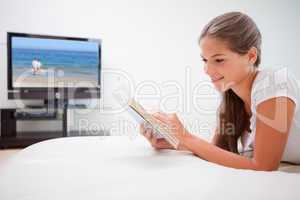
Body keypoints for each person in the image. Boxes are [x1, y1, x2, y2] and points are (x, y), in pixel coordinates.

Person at [140, 11, 300, 171]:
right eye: (205, 60)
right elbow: (218, 153)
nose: (207, 70)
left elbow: (264, 166)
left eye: (219, 60)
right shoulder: (232, 100)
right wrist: (175, 142)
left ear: (251, 56)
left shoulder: (274, 81)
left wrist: (186, 136)